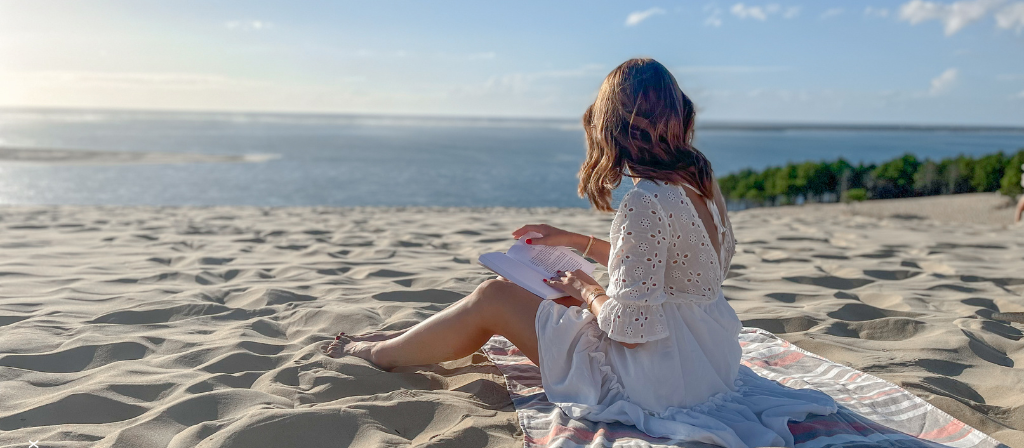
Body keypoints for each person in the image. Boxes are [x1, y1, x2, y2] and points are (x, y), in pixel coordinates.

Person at [323, 58, 837, 448]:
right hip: (707, 360)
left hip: (656, 380)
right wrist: (574, 242)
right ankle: (398, 340)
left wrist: (587, 288)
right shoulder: (699, 181)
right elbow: (683, 266)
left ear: (611, 127)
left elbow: (631, 327)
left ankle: (379, 355)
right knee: (548, 298)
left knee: (494, 296)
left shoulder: (644, 201)